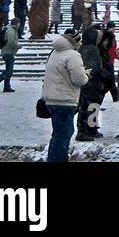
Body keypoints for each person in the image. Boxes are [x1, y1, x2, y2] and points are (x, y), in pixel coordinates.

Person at [43, 29, 89, 161]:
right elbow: (79, 79)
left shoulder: (55, 52)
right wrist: (86, 75)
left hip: (52, 99)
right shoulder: (73, 55)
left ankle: (53, 158)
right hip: (65, 99)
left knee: (57, 133)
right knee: (64, 133)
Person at [76, 26, 114, 141]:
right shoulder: (92, 49)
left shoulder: (83, 48)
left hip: (89, 83)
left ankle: (89, 130)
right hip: (91, 83)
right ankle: (84, 131)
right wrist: (105, 74)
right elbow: (95, 67)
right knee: (87, 108)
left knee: (90, 107)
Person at [0, 16, 21, 93]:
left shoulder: (11, 29)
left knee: (9, 70)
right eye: (19, 23)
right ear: (16, 24)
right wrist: (18, 46)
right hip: (8, 52)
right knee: (9, 71)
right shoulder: (11, 31)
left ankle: (7, 87)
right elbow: (10, 42)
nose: (19, 25)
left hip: (8, 52)